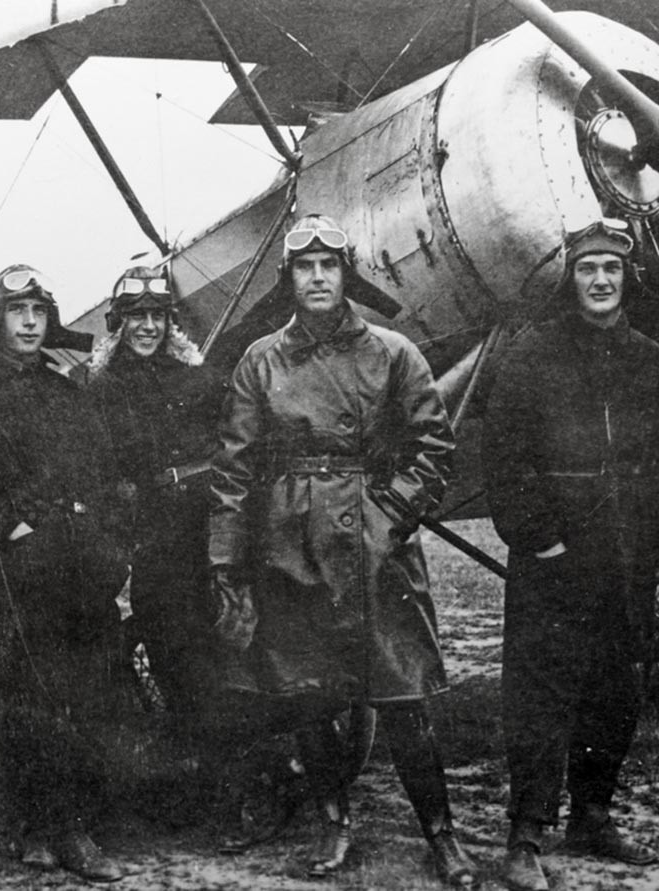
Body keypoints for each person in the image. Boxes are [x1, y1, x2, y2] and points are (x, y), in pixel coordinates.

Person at [208, 214, 478, 887]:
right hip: (289, 545)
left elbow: (433, 448)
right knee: (306, 695)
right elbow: (234, 471)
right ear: (290, 279)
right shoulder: (259, 360)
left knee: (402, 693)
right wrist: (227, 566)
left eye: (330, 265)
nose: (319, 277)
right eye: (306, 267)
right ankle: (334, 821)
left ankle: (441, 833)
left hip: (373, 543)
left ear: (346, 274)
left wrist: (387, 516)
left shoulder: (393, 352)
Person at [483, 220, 659, 891]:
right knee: (542, 692)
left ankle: (593, 814)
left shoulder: (647, 358)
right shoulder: (531, 353)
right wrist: (540, 535)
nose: (600, 279)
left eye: (611, 268)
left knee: (614, 688)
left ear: (625, 277)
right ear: (569, 277)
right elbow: (504, 458)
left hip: (626, 553)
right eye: (587, 269)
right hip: (552, 557)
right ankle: (525, 834)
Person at [0, 265, 136, 883]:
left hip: (81, 567)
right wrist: (7, 526)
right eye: (16, 310)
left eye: (38, 311)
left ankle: (67, 823)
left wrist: (106, 549)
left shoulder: (71, 397)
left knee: (89, 693)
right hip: (17, 571)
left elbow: (105, 480)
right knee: (26, 698)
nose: (28, 322)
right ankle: (45, 825)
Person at [86, 263, 225, 748]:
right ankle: (191, 753)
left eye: (158, 316)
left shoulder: (200, 379)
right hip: (151, 535)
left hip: (205, 526)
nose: (148, 326)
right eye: (136, 315)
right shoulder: (99, 389)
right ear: (118, 322)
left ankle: (216, 758)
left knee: (216, 646)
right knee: (169, 644)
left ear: (170, 322)